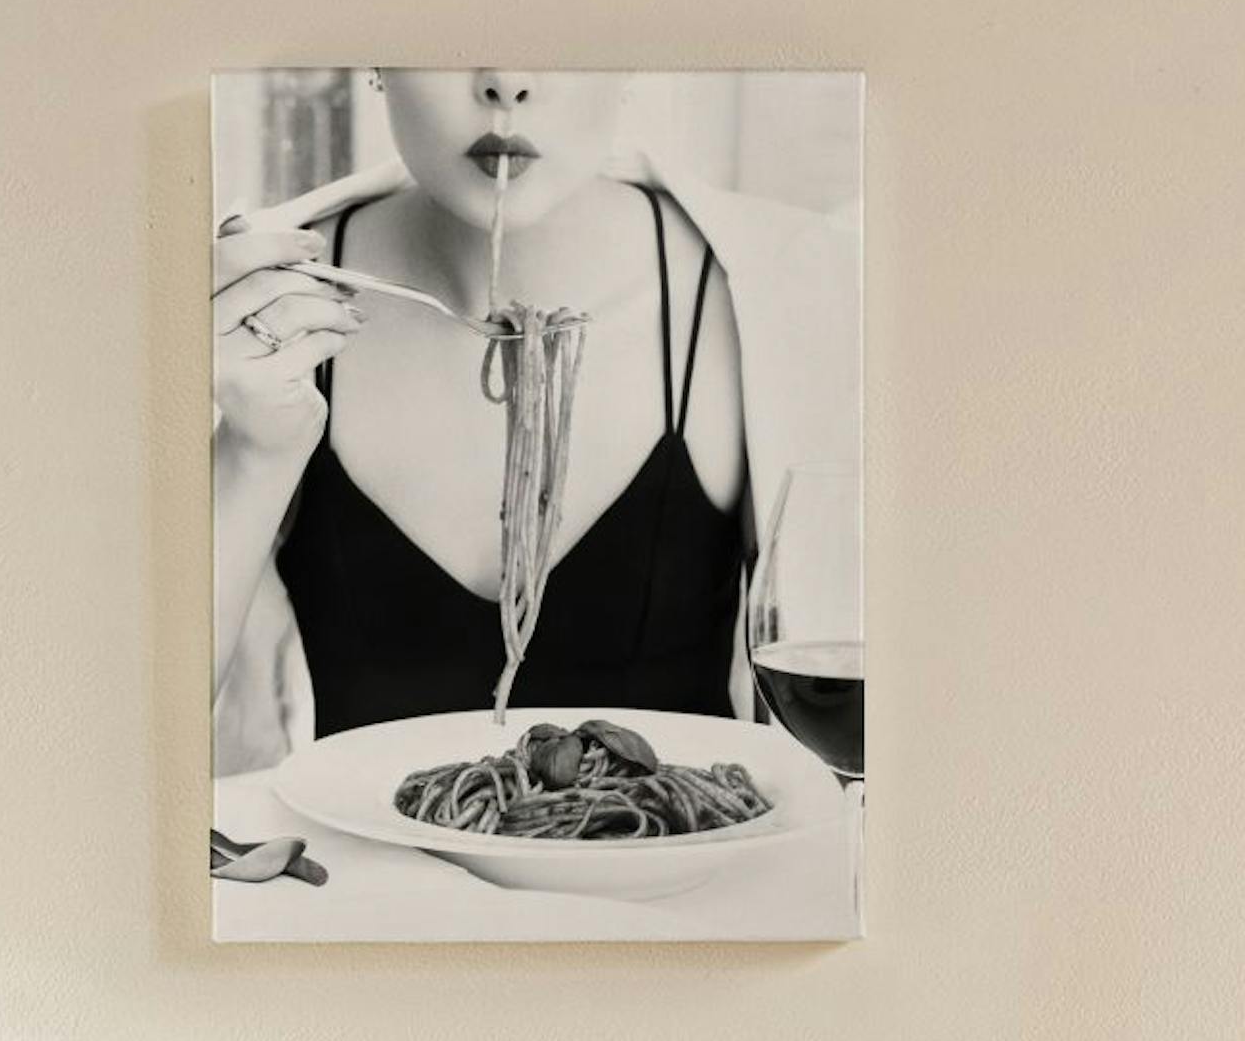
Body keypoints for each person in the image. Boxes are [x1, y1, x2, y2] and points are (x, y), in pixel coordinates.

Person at [211, 72, 852, 782]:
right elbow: (159, 756)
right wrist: (249, 453)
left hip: (681, 882)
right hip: (360, 884)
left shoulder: (776, 294)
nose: (506, 82)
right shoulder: (262, 308)